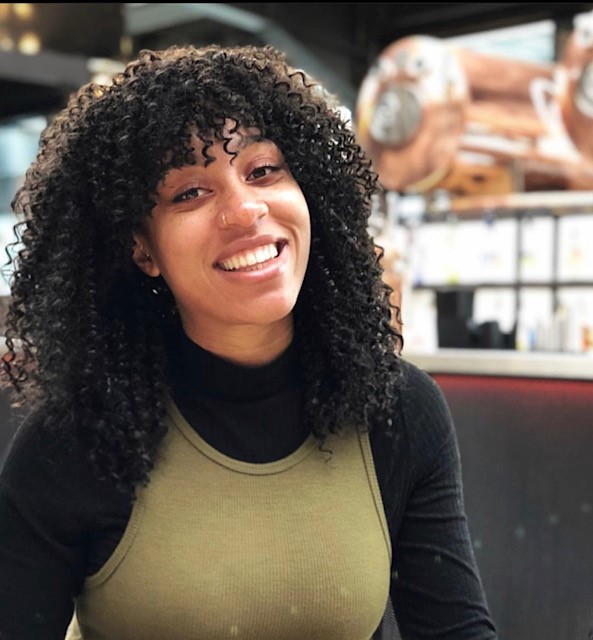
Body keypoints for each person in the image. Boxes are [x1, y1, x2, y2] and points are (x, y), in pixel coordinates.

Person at [0, 43, 498, 640]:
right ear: (141, 248)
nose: (244, 210)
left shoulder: (397, 410)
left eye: (262, 171)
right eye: (190, 192)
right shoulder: (74, 441)